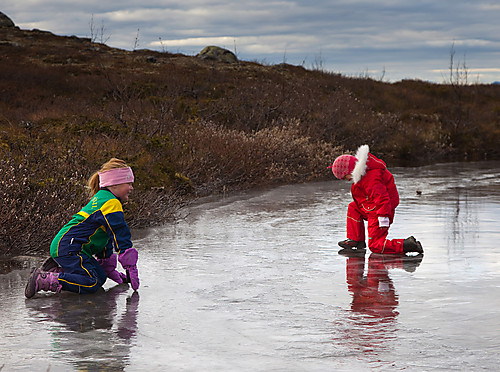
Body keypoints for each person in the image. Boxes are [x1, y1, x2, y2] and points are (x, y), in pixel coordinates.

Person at [25, 158, 139, 298]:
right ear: (114, 184)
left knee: (100, 276)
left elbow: (105, 237)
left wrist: (109, 269)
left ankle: (57, 269)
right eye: (129, 183)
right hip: (70, 248)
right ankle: (43, 280)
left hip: (67, 245)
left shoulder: (103, 198)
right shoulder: (111, 203)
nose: (131, 188)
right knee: (92, 281)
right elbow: (119, 233)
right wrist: (130, 265)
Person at [329, 145, 423, 255]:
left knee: (375, 246)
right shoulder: (363, 174)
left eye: (346, 177)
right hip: (371, 206)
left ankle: (407, 244)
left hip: (381, 212)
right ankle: (356, 240)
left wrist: (383, 218)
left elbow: (382, 198)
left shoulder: (371, 178)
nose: (348, 180)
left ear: (350, 170)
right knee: (353, 207)